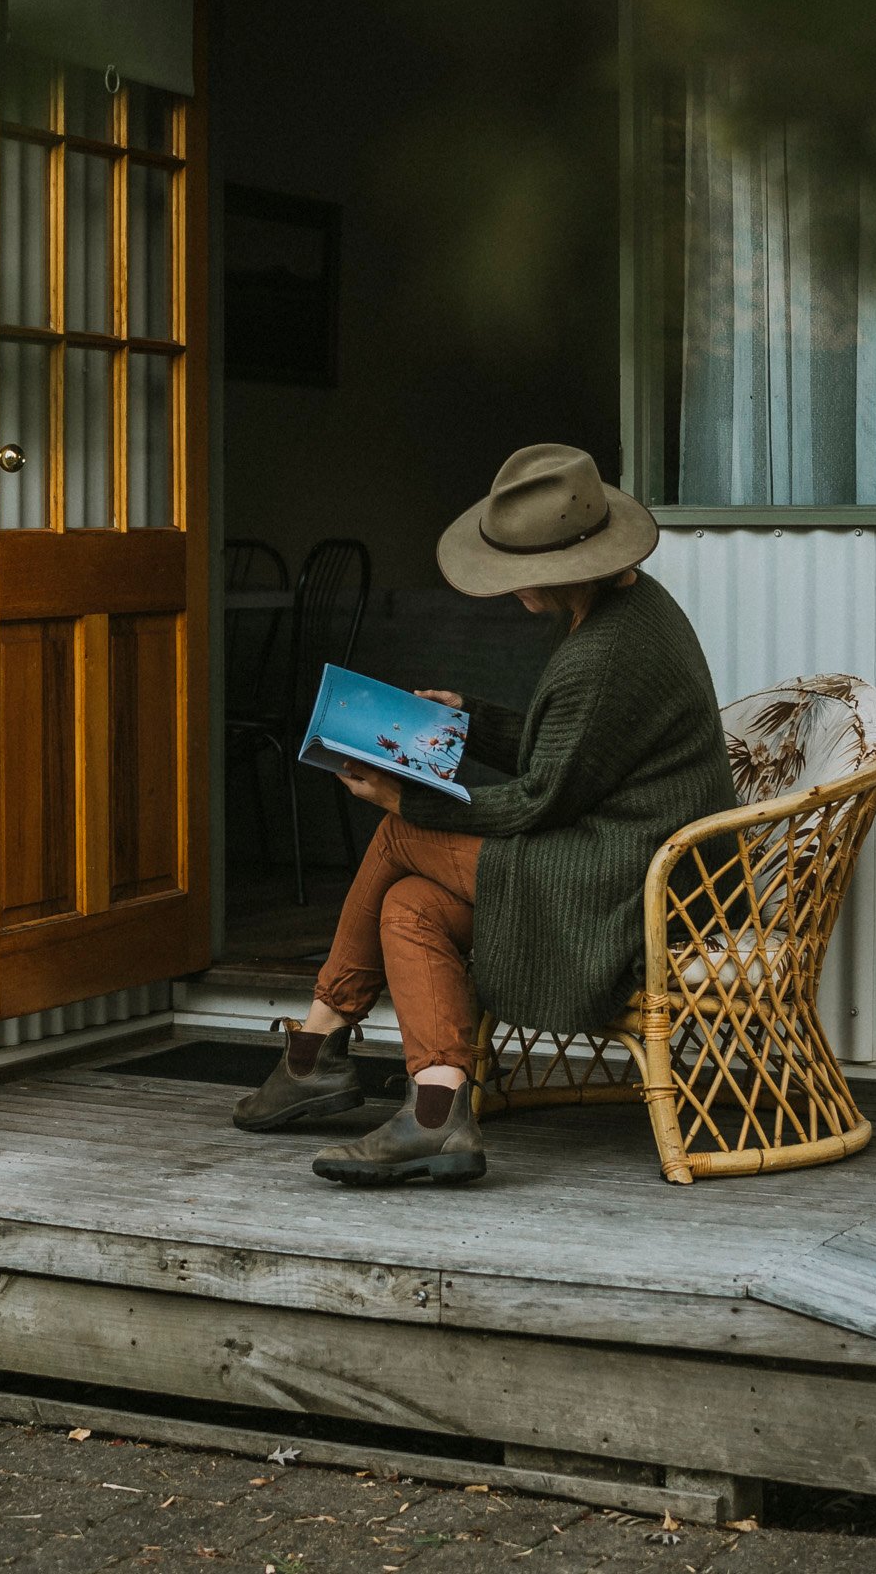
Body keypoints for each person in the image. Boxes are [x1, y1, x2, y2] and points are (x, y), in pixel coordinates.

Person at [232, 444, 737, 1184]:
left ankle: (315, 1047)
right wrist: (466, 721)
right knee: (410, 905)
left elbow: (538, 798)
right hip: (609, 848)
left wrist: (408, 796)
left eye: (519, 574)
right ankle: (436, 1113)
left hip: (627, 879)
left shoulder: (604, 653)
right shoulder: (631, 606)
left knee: (403, 830)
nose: (508, 590)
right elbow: (571, 753)